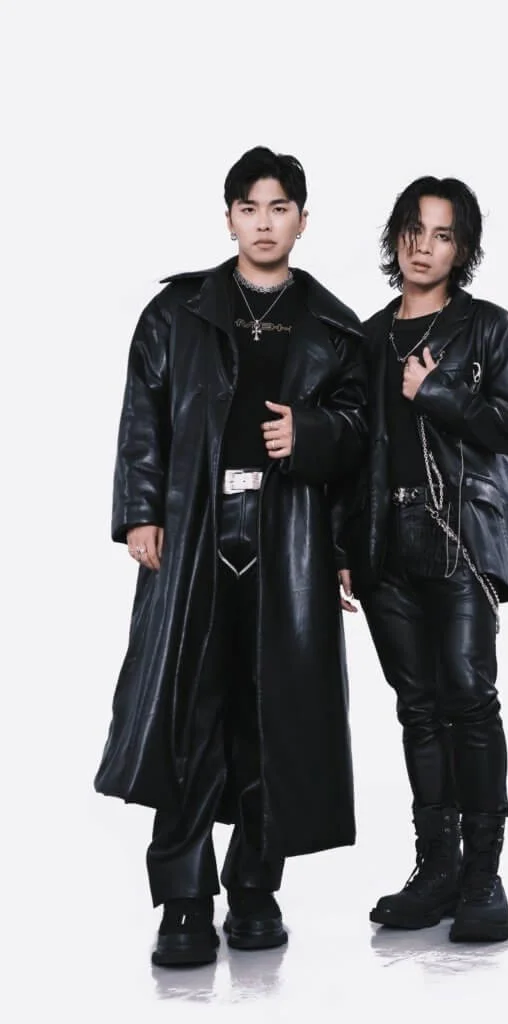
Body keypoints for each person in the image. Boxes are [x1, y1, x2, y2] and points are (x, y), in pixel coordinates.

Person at [94, 146, 367, 966]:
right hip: (193, 533)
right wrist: (141, 513)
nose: (264, 223)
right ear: (229, 218)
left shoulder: (335, 325)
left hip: (289, 539)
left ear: (303, 220)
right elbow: (143, 416)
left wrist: (311, 436)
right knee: (187, 713)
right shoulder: (177, 312)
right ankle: (183, 900)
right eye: (250, 208)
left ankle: (254, 890)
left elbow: (362, 437)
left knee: (269, 715)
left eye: (279, 208)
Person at [336, 175, 508, 942]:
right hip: (385, 548)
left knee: (469, 698)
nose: (425, 247)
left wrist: (438, 394)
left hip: (459, 543)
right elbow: (353, 453)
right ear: (397, 238)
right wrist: (344, 548)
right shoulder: (365, 339)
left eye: (443, 234)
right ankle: (437, 869)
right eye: (414, 231)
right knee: (417, 708)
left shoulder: (487, 328)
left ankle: (484, 876)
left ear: (463, 249)